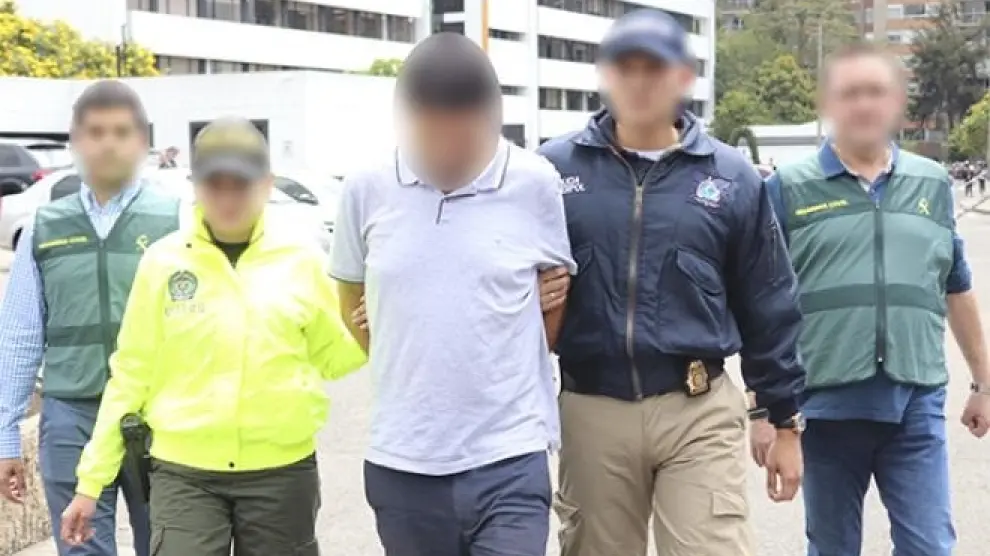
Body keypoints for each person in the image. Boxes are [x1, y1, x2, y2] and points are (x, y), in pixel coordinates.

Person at [536, 9, 806, 556]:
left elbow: (769, 303)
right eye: (625, 68)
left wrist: (782, 421)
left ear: (683, 78)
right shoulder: (551, 171)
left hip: (696, 407)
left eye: (654, 69)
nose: (639, 82)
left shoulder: (731, 178)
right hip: (592, 407)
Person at [59, 117, 366, 556]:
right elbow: (131, 374)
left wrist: (371, 326)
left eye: (240, 184)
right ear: (195, 185)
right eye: (214, 184)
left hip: (280, 472)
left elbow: (334, 357)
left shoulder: (302, 260)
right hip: (185, 473)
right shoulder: (163, 263)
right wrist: (91, 483)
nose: (227, 198)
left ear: (266, 184)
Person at [332, 33, 575, 556]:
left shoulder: (534, 183)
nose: (446, 156)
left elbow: (554, 298)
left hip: (510, 455)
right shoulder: (365, 189)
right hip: (403, 462)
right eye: (430, 140)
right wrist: (408, 355)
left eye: (463, 142)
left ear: (492, 124)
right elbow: (351, 296)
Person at [765, 43, 990, 556]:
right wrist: (766, 411)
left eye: (876, 92)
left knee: (929, 546)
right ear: (829, 104)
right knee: (833, 547)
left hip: (915, 401)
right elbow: (762, 304)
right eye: (850, 93)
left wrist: (983, 382)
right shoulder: (787, 188)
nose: (864, 104)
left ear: (897, 103)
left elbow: (956, 285)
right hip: (823, 406)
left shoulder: (933, 184)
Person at [0, 81, 178, 556]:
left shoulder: (176, 222)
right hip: (71, 416)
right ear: (75, 142)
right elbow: (20, 335)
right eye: (95, 132)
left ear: (142, 142)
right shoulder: (43, 227)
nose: (108, 144)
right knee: (81, 549)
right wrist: (6, 435)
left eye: (121, 132)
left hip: (156, 415)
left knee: (167, 544)